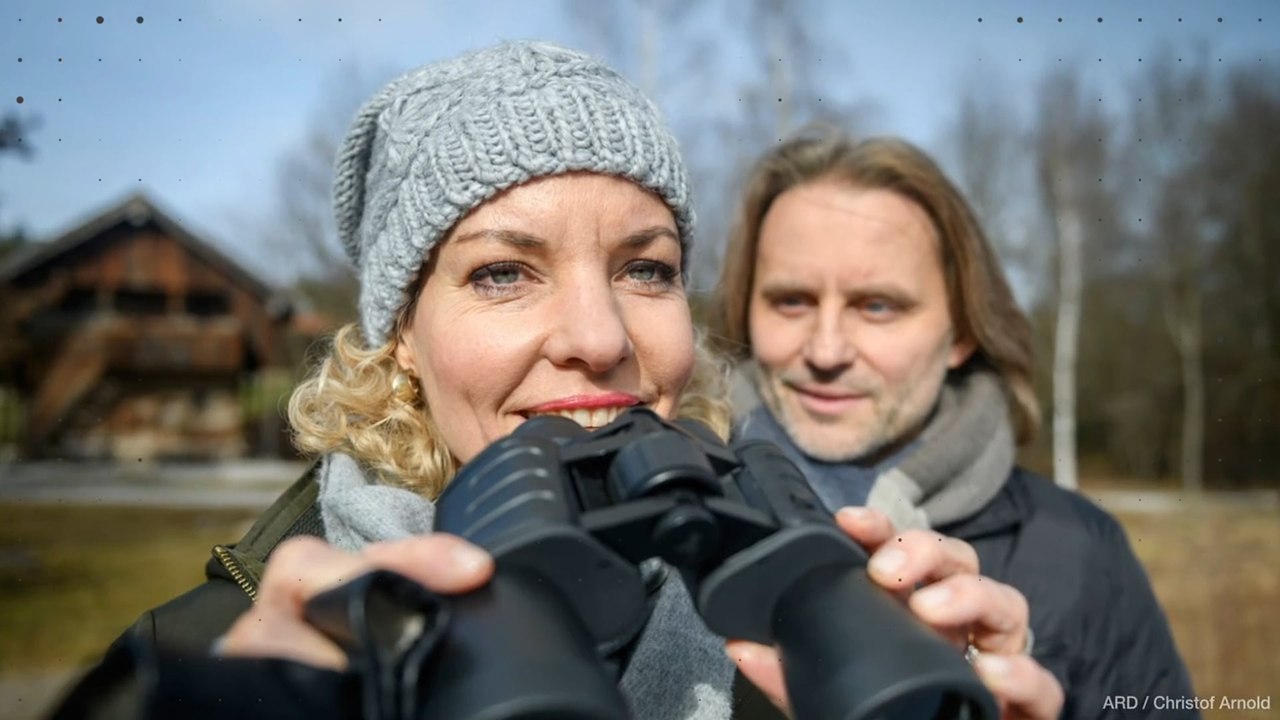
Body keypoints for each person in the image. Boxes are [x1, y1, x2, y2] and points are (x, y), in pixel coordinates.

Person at [50, 44, 1058, 720]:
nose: (597, 336)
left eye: (645, 268)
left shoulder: (797, 653)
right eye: (502, 272)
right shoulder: (226, 650)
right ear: (399, 333)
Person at [706, 127, 1199, 719]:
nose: (827, 350)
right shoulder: (673, 516)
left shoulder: (1079, 552)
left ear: (962, 331)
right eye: (792, 301)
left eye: (877, 305)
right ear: (745, 311)